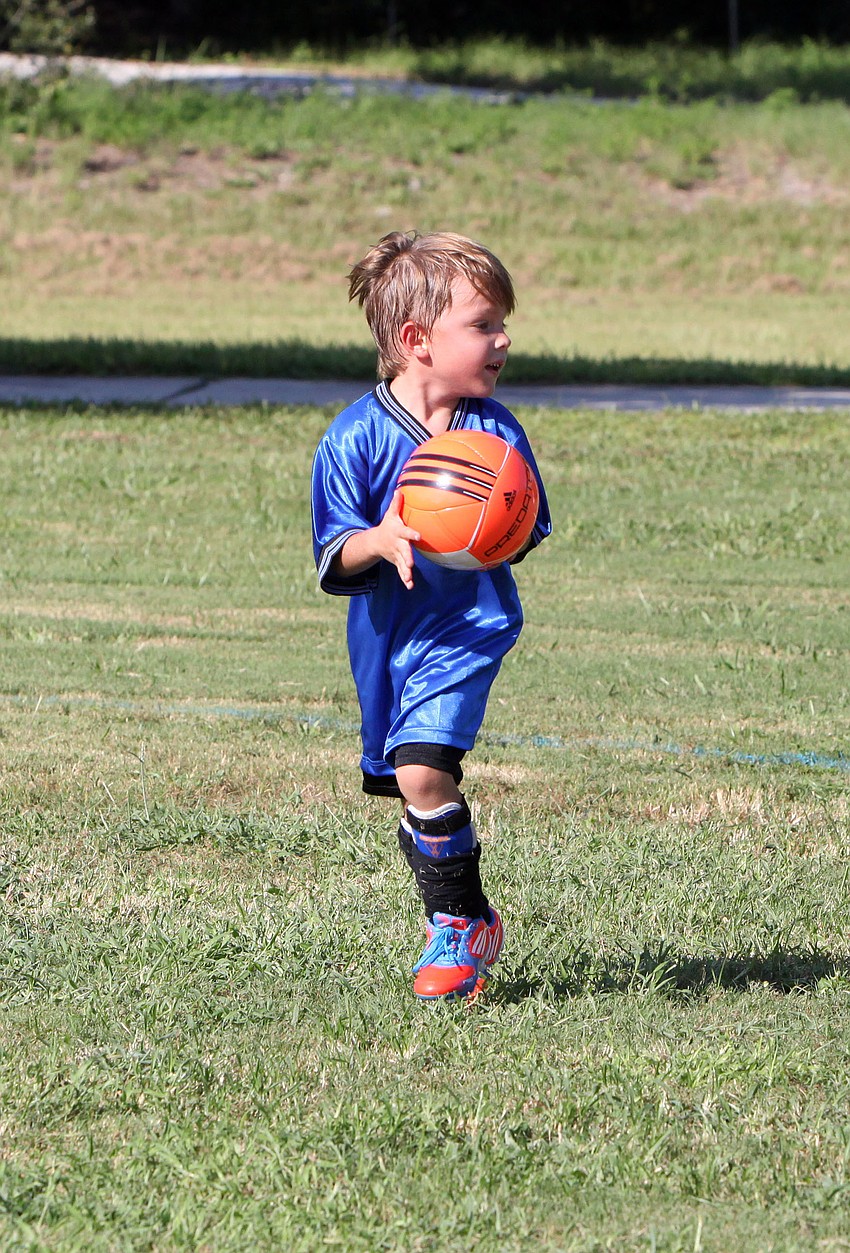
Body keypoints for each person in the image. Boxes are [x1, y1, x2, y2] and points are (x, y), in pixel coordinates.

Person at [311, 230, 551, 1001]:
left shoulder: (495, 434)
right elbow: (333, 552)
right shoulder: (354, 437)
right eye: (483, 325)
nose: (502, 339)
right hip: (388, 640)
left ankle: (453, 929)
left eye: (501, 323)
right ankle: (470, 915)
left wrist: (493, 521)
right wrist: (377, 538)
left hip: (467, 628)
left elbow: (526, 526)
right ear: (417, 341)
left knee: (422, 767)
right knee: (410, 782)